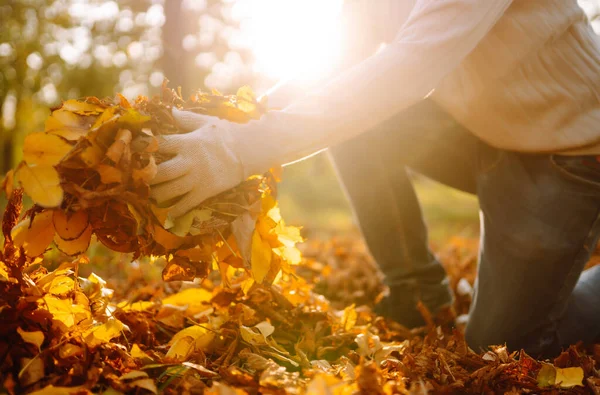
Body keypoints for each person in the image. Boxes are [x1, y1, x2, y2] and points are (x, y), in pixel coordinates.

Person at [150, 0, 600, 357]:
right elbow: (338, 65)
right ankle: (417, 294)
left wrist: (237, 151)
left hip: (569, 150)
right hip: (487, 133)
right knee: (356, 119)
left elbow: (408, 69)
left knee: (502, 345)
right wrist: (237, 123)